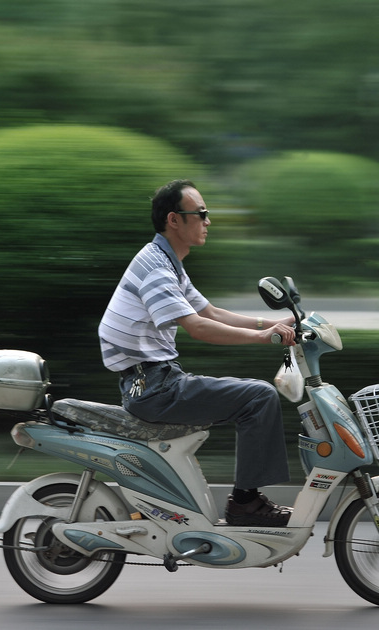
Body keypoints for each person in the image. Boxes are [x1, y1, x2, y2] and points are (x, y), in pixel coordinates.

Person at [98, 179, 296, 527]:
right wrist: (265, 338)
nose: (208, 221)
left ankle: (244, 500)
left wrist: (272, 322)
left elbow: (211, 313)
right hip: (155, 387)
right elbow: (199, 328)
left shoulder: (166, 261)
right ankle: (246, 502)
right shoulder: (157, 270)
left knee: (254, 397)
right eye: (201, 214)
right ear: (174, 220)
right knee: (259, 398)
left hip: (153, 381)